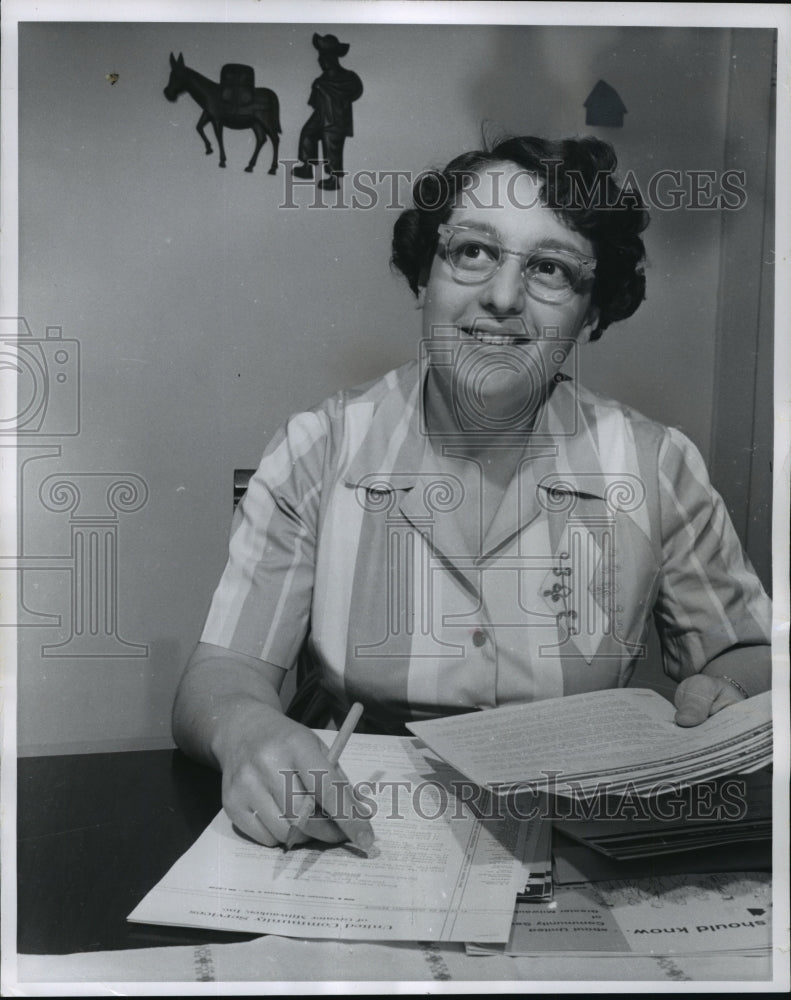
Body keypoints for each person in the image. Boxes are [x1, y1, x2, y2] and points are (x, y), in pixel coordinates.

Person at [172, 135, 771, 851]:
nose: (502, 297)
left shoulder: (656, 464)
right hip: (351, 832)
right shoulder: (317, 447)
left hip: (575, 838)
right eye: (473, 252)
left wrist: (729, 691)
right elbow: (222, 673)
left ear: (591, 315)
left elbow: (747, 653)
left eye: (549, 268)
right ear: (425, 275)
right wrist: (246, 728)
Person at [292, 33, 363, 190]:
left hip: (336, 120)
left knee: (332, 145)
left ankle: (333, 178)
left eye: (323, 57)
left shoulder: (349, 77)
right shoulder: (321, 81)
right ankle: (307, 167)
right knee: (307, 133)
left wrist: (339, 100)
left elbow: (356, 91)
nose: (320, 60)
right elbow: (315, 103)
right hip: (321, 117)